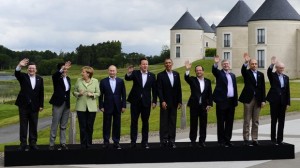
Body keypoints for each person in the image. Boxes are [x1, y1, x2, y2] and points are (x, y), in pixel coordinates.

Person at [125, 57, 157, 149]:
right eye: (143, 64)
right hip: (135, 102)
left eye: (146, 64)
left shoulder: (152, 76)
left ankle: (145, 142)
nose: (145, 65)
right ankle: (133, 142)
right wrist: (129, 72)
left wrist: (154, 101)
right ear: (140, 65)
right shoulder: (135, 73)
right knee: (134, 122)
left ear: (148, 65)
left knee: (145, 122)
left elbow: (154, 90)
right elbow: (127, 78)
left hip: (146, 102)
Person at [15, 58, 44, 151]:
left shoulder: (40, 79)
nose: (31, 70)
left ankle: (33, 143)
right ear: (27, 69)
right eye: (30, 68)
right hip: (23, 105)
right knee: (23, 126)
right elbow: (16, 73)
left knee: (33, 125)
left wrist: (41, 105)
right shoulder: (23, 77)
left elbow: (41, 93)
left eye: (33, 68)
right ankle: (23, 144)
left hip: (35, 106)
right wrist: (19, 65)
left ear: (36, 70)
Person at [239, 53, 266, 146]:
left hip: (258, 100)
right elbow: (242, 70)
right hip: (248, 99)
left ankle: (254, 139)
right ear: (250, 65)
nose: (254, 65)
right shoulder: (247, 73)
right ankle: (246, 139)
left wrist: (263, 100)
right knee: (247, 120)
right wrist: (246, 62)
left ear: (257, 65)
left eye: (255, 64)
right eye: (252, 64)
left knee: (256, 120)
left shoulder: (261, 75)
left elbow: (263, 88)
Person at [184, 60, 213, 147]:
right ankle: (192, 141)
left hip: (204, 106)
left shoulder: (208, 81)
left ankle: (202, 141)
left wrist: (210, 104)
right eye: (197, 70)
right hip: (194, 105)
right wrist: (187, 70)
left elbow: (209, 94)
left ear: (203, 71)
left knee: (203, 124)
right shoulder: (192, 80)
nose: (199, 71)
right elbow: (186, 78)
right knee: (193, 124)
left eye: (200, 70)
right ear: (195, 72)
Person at [212, 55, 238, 147]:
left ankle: (228, 140)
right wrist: (215, 63)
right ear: (222, 65)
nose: (226, 65)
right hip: (222, 101)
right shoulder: (219, 74)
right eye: (224, 64)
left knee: (229, 122)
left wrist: (235, 101)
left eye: (227, 64)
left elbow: (235, 89)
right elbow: (214, 70)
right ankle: (221, 141)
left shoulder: (233, 75)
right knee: (221, 122)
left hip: (231, 102)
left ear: (229, 65)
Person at [157, 58, 182, 148]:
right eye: (166, 63)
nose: (168, 64)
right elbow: (159, 89)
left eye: (169, 63)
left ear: (172, 64)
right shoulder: (160, 75)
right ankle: (164, 140)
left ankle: (172, 140)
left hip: (174, 103)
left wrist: (180, 101)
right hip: (165, 103)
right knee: (164, 122)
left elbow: (179, 88)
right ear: (164, 65)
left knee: (172, 122)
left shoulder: (176, 74)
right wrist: (162, 100)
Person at [99, 65, 126, 149]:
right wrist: (101, 106)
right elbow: (100, 95)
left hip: (118, 106)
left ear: (116, 71)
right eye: (110, 71)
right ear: (108, 71)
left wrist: (124, 105)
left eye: (113, 71)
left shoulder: (120, 81)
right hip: (107, 106)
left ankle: (116, 141)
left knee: (117, 125)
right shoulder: (103, 81)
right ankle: (106, 142)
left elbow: (124, 95)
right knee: (106, 124)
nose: (112, 72)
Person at [73, 66, 100, 149]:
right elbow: (74, 92)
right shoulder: (78, 80)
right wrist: (79, 94)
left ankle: (89, 143)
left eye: (83, 72)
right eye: (82, 72)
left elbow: (98, 93)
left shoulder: (95, 81)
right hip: (81, 107)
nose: (82, 73)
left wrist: (92, 95)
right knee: (82, 126)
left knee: (90, 126)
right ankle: (83, 144)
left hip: (92, 108)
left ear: (88, 74)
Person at [266, 56, 290, 145]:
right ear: (276, 68)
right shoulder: (272, 76)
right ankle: (273, 139)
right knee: (274, 120)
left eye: (283, 68)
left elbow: (287, 91)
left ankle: (280, 140)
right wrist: (272, 64)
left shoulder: (286, 77)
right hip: (274, 101)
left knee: (281, 121)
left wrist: (288, 103)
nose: (282, 69)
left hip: (283, 102)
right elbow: (268, 71)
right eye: (280, 68)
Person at [49, 61, 72, 150]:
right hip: (58, 103)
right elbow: (55, 75)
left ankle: (63, 143)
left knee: (63, 125)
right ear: (60, 69)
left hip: (66, 104)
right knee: (55, 124)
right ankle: (51, 144)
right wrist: (63, 68)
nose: (65, 70)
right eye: (63, 68)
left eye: (66, 69)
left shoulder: (68, 78)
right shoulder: (56, 78)